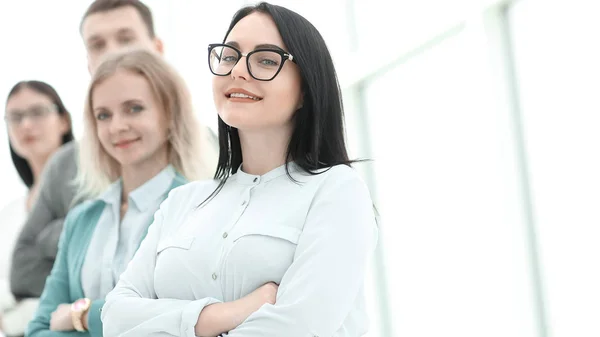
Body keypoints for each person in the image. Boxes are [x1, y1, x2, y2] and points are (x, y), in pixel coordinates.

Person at [101, 3, 379, 337]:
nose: (238, 71)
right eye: (230, 56)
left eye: (265, 60)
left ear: (305, 89)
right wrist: (231, 313)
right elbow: (115, 316)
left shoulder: (337, 191)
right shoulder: (182, 202)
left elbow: (297, 327)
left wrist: (167, 322)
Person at [10, 0, 216, 302]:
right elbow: (23, 269)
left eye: (126, 38)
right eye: (97, 44)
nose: (113, 52)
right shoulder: (65, 165)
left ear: (157, 47)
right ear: (87, 61)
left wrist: (58, 243)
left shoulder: (214, 150)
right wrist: (75, 234)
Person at [26, 49, 215, 337]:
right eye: (103, 115)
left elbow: (181, 319)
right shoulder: (81, 219)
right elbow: (39, 328)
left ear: (170, 114)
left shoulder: (197, 209)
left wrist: (82, 314)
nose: (117, 127)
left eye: (134, 108)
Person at [0, 81, 74, 337]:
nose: (26, 125)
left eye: (38, 112)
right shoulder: (7, 214)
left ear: (64, 120)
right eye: (15, 117)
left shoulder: (87, 191)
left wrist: (14, 318)